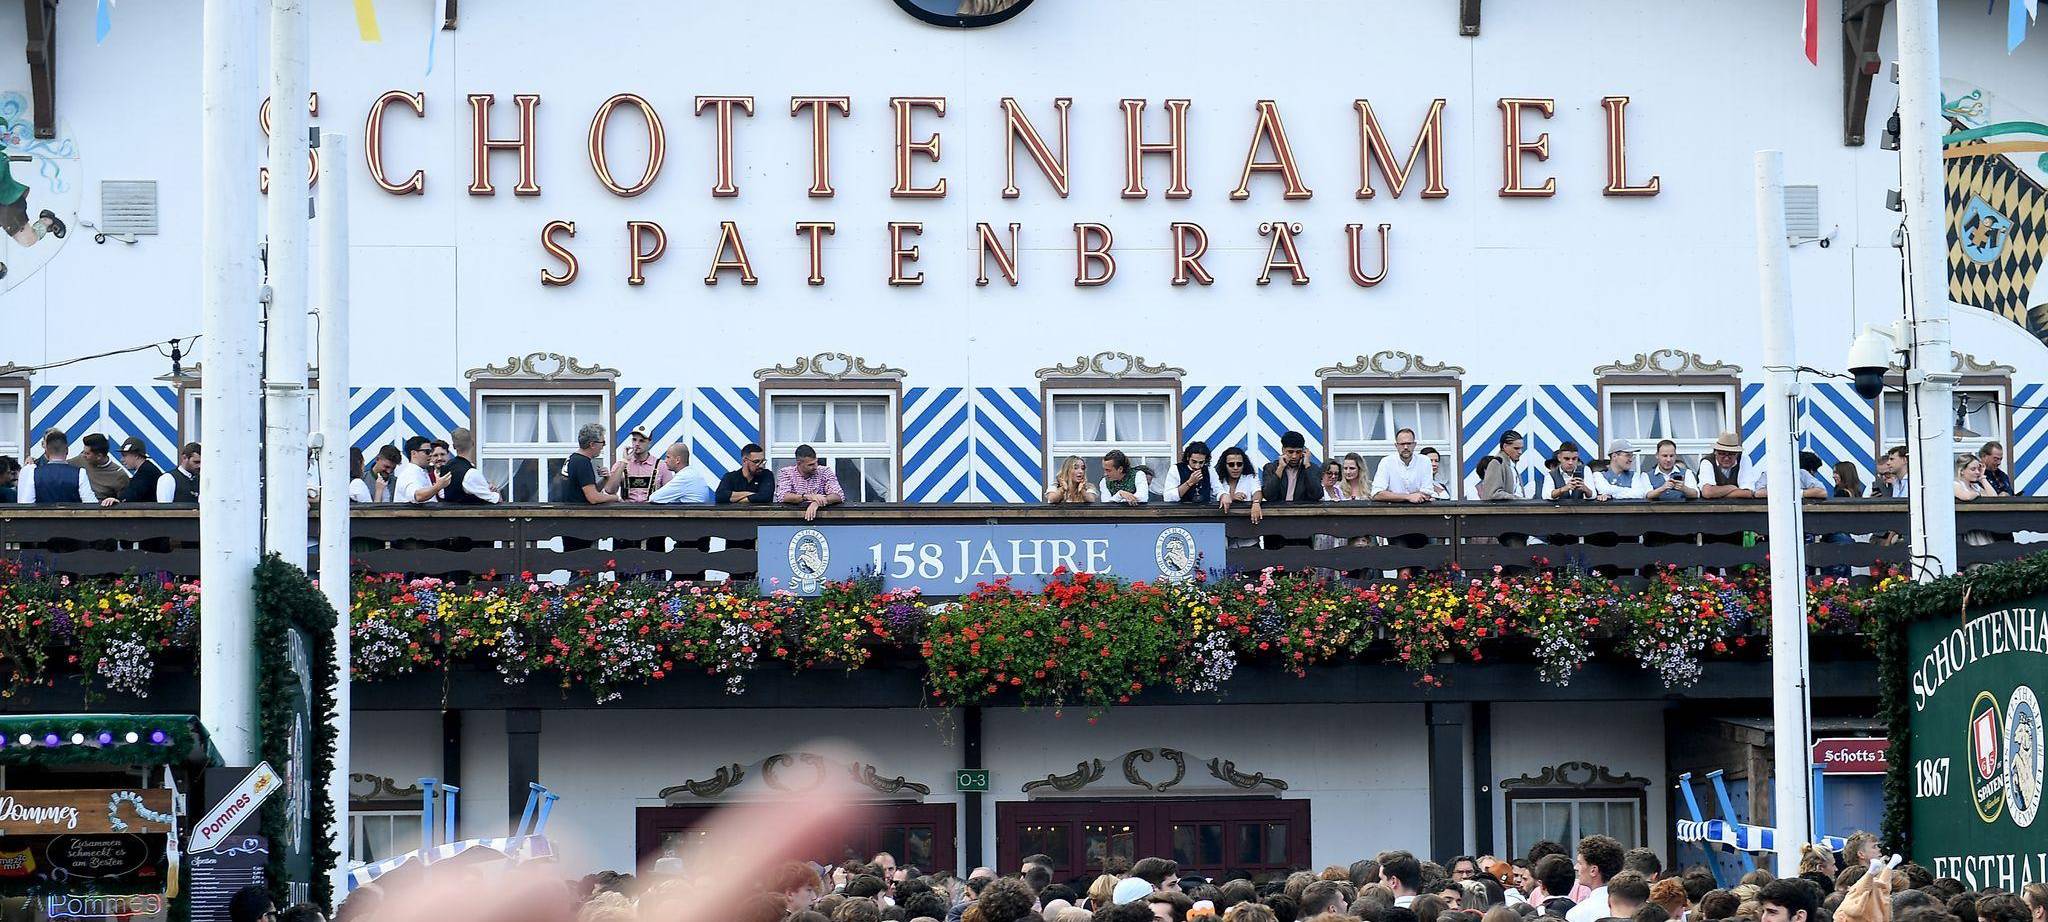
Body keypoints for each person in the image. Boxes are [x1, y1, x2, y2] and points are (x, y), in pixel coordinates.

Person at [18, 429, 92, 504]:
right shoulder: (80, 473)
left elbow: (26, 504)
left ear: (47, 449)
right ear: (67, 450)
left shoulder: (34, 473)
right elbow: (90, 504)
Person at [777, 444, 844, 521]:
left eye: (816, 462)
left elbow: (838, 495)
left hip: (822, 520)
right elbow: (783, 496)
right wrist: (808, 497)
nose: (815, 466)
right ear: (799, 463)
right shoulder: (786, 472)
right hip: (792, 520)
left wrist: (817, 502)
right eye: (811, 465)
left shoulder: (825, 471)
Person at [554, 423, 617, 505]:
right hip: (578, 514)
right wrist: (615, 497)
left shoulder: (573, 458)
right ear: (592, 445)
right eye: (603, 442)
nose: (603, 446)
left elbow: (587, 492)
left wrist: (605, 480)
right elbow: (593, 498)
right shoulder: (583, 463)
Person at [1565, 836, 1624, 922]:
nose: (1575, 867)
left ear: (1593, 870)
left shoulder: (1577, 914)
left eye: (1580, 863)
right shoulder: (1636, 907)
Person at [606, 426, 672, 503]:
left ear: (650, 443)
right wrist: (624, 461)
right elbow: (609, 490)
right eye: (634, 440)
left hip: (652, 512)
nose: (637, 444)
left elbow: (669, 494)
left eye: (642, 441)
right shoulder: (620, 465)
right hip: (627, 511)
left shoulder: (661, 466)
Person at [1372, 428, 1437, 504]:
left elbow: (1427, 492)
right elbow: (1376, 494)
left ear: (1414, 445)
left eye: (1409, 444)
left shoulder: (1424, 461)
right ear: (1396, 445)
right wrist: (1408, 497)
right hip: (1391, 511)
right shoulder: (1386, 462)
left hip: (1419, 510)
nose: (1405, 447)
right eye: (1402, 444)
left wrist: (1391, 495)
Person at [437, 428, 500, 503]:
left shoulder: (446, 467)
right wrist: (497, 493)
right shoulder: (471, 473)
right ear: (473, 443)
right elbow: (496, 500)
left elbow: (442, 495)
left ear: (454, 446)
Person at [1261, 431, 1321, 503]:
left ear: (1303, 452)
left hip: (1302, 512)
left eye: (1298, 452)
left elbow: (1317, 495)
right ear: (1283, 450)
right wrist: (1280, 468)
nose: (1294, 456)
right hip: (1277, 512)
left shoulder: (1312, 468)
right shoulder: (1271, 468)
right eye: (1290, 452)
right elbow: (1268, 496)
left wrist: (1307, 465)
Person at [650, 443, 717, 504]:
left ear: (677, 460)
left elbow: (654, 498)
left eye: (668, 457)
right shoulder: (691, 473)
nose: (665, 461)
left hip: (690, 515)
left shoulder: (684, 477)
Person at [75, 433, 132, 502]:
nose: (83, 455)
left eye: (87, 453)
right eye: (83, 452)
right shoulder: (80, 460)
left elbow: (124, 502)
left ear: (99, 456)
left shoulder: (119, 475)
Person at [1698, 432, 1755, 499]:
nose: (1726, 458)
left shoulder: (1744, 459)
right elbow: (1707, 492)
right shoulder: (1707, 461)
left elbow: (1747, 493)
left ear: (1737, 454)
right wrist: (1732, 487)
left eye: (1731, 454)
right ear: (1715, 452)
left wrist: (1716, 494)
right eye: (1722, 453)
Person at [1214, 446, 1263, 523]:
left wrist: (1256, 503)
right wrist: (1232, 498)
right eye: (1231, 464)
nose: (1236, 467)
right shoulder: (1217, 480)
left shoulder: (1250, 477)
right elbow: (1212, 500)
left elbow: (1257, 491)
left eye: (1239, 464)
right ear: (1224, 465)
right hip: (1221, 523)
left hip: (1246, 523)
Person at [1479, 430, 1531, 501]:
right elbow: (1493, 494)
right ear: (1505, 446)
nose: (1520, 452)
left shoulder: (1509, 464)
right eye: (1516, 448)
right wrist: (1518, 499)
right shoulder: (1497, 463)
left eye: (1521, 448)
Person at [111, 437, 164, 505]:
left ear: (136, 455)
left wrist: (117, 500)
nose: (122, 459)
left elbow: (130, 497)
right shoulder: (146, 469)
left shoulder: (146, 472)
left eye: (125, 455)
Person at [1160, 441, 1215, 505]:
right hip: (1181, 512)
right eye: (1194, 462)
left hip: (1205, 512)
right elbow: (1168, 498)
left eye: (1201, 462)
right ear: (1188, 457)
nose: (1197, 466)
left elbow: (1218, 489)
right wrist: (1190, 482)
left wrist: (1223, 495)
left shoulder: (1209, 470)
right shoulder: (1176, 469)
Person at [394, 436, 441, 505]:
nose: (431, 454)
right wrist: (438, 486)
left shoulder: (420, 471)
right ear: (413, 453)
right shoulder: (409, 474)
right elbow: (418, 496)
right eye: (427, 452)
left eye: (431, 451)